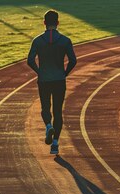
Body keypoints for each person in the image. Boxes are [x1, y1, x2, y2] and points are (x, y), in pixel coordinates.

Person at [27, 10, 77, 155]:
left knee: (45, 108)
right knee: (57, 111)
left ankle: (48, 126)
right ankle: (55, 144)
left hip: (44, 80)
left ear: (44, 22)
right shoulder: (65, 41)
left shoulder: (37, 41)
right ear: (57, 23)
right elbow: (73, 60)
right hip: (59, 80)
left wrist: (39, 71)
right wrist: (65, 73)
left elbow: (30, 60)